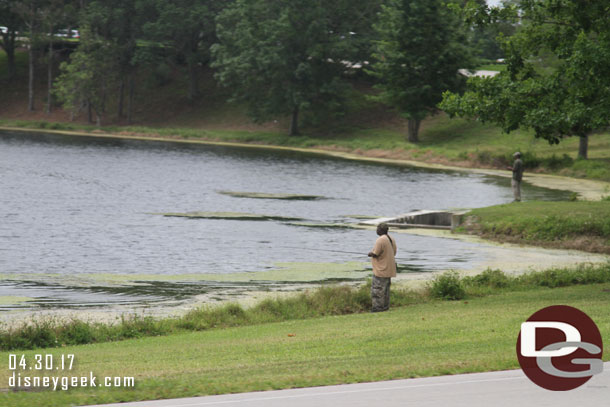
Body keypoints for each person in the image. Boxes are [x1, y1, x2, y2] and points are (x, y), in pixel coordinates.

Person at [367, 223, 397, 312]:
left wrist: (370, 253)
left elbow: (376, 253)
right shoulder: (391, 238)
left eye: (377, 229)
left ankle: (377, 308)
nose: (376, 230)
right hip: (389, 268)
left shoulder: (380, 240)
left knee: (377, 290)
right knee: (386, 291)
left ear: (381, 230)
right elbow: (394, 252)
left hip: (381, 269)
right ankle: (385, 307)